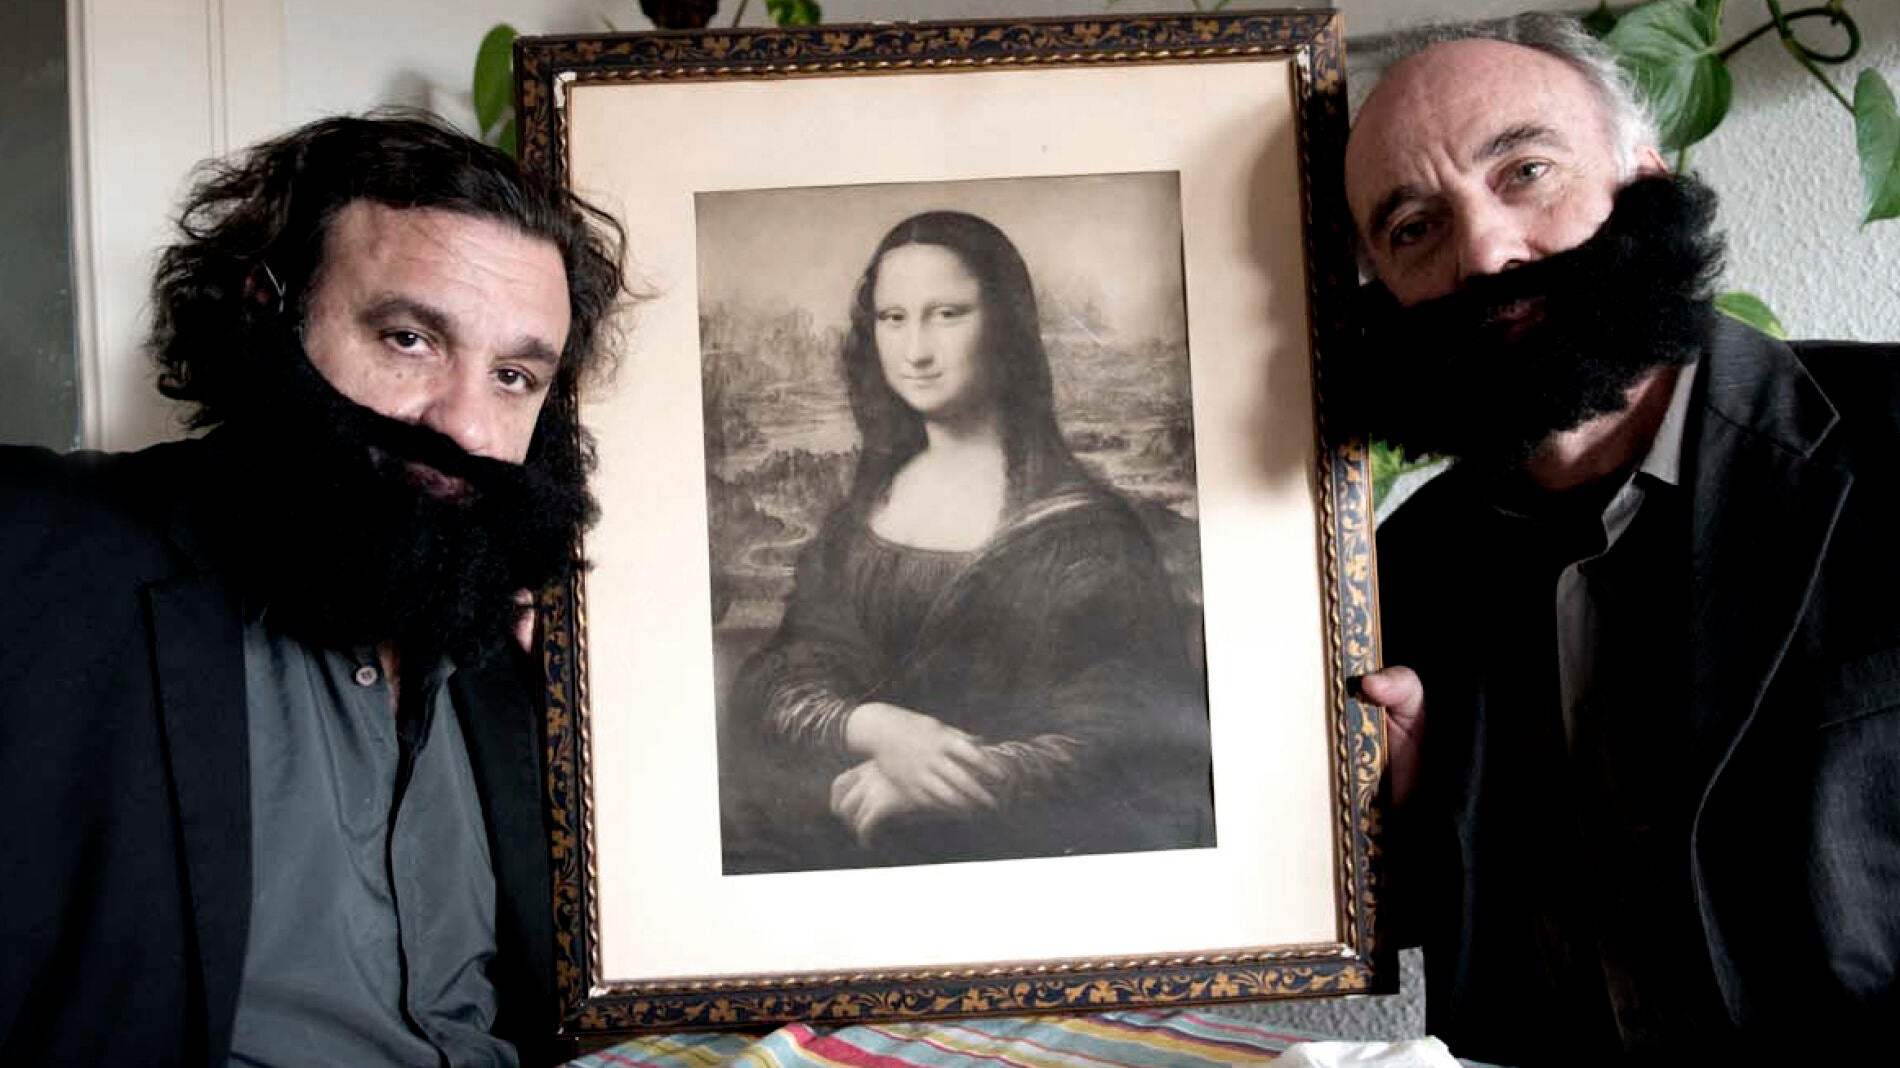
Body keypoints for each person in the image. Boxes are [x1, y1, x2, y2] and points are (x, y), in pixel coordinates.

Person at [0, 113, 628, 1067]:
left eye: (512, 376)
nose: (466, 427)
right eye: (410, 339)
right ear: (267, 312)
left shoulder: (527, 649)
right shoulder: (41, 545)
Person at [1342, 14, 1900, 1065]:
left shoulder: (1889, 436)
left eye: (1525, 172)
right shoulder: (1390, 577)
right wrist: (1392, 811)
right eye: (1414, 227)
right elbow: (1392, 928)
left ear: (1642, 179)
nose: (1485, 252)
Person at [724, 210, 1214, 872]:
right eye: (893, 317)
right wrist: (878, 729)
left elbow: (1128, 740)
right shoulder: (861, 516)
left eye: (947, 314)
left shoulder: (1088, 534)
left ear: (1005, 325)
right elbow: (779, 679)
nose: (916, 350)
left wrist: (941, 780)